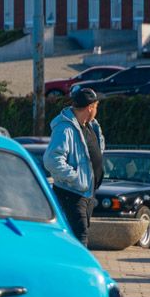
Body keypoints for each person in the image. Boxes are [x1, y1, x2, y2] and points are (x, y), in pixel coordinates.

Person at [44, 87, 105, 246]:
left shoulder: (90, 126)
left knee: (79, 235)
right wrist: (76, 179)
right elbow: (52, 160)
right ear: (90, 107)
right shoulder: (65, 129)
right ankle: (79, 269)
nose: (97, 110)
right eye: (96, 106)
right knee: (79, 235)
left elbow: (95, 150)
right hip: (71, 193)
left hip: (87, 193)